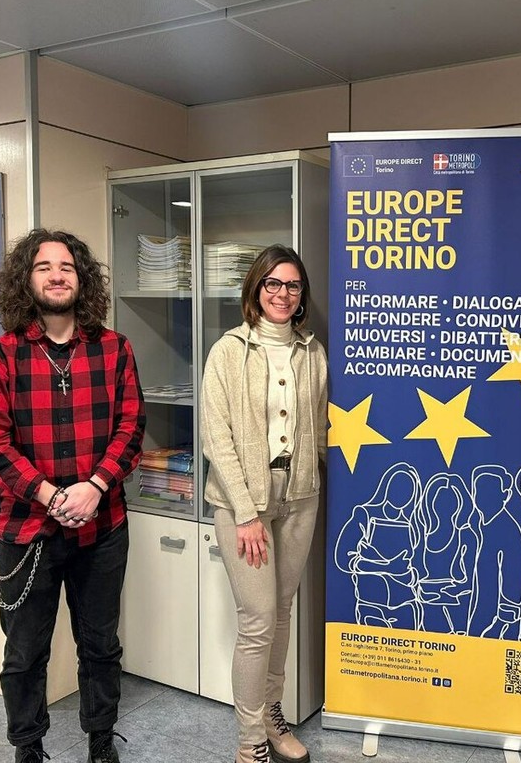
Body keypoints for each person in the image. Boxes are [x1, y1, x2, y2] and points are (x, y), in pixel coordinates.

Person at [0, 228, 145, 763]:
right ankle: (28, 747)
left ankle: (100, 741)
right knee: (24, 654)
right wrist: (50, 495)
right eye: (43, 267)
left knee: (101, 645)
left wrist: (95, 487)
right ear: (25, 280)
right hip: (25, 532)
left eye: (66, 266)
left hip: (103, 525)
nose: (56, 275)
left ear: (81, 278)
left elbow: (131, 428)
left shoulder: (114, 349)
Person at [201, 243, 328, 763]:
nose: (282, 293)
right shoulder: (228, 351)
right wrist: (247, 512)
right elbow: (217, 438)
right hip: (243, 503)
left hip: (299, 498)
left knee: (281, 613)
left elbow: (318, 425)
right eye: (272, 283)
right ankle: (250, 739)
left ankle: (273, 715)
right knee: (257, 620)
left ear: (302, 295)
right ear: (256, 288)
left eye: (292, 285)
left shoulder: (312, 352)